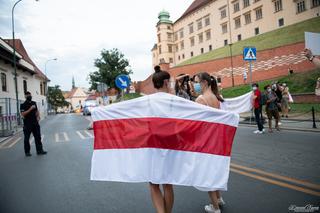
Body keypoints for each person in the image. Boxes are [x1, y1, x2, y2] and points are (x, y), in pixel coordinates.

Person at [193, 72, 225, 213]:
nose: (195, 85)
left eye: (196, 82)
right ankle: (219, 198)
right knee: (214, 170)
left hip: (205, 140)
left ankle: (215, 207)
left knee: (207, 173)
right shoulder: (216, 98)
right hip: (216, 139)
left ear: (204, 82)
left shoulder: (201, 99)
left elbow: (194, 122)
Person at [149, 65, 174, 213]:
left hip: (152, 145)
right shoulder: (174, 100)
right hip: (170, 145)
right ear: (166, 82)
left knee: (153, 184)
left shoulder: (147, 101)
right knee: (168, 184)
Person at [20, 91, 47, 156]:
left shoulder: (34, 103)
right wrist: (30, 109)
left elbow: (36, 111)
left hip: (35, 123)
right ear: (25, 96)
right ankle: (27, 152)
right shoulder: (22, 105)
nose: (29, 96)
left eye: (30, 95)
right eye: (28, 95)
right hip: (27, 124)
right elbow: (23, 114)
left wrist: (38, 116)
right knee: (27, 138)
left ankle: (40, 150)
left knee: (38, 137)